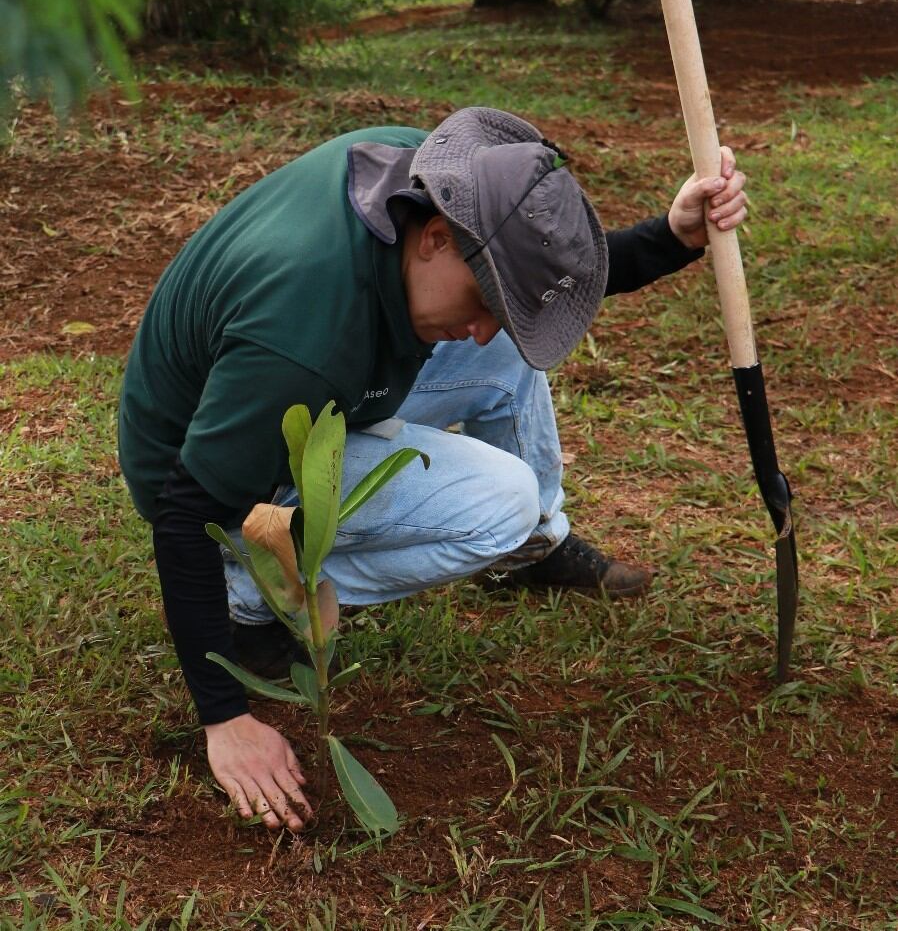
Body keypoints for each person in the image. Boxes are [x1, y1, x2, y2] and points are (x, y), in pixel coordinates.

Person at [119, 106, 747, 833]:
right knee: (500, 500)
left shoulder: (429, 184)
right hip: (216, 469)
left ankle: (532, 552)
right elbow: (181, 509)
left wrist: (671, 237)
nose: (479, 328)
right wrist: (223, 717)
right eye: (479, 300)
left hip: (285, 388)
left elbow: (522, 279)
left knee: (515, 340)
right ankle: (249, 595)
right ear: (436, 239)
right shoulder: (305, 337)